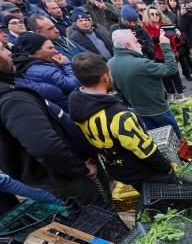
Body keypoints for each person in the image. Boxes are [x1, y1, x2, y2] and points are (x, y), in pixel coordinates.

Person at [0, 42, 112, 212]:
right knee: (102, 213)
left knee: (88, 214)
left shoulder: (11, 91)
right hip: (71, 177)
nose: (9, 52)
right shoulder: (12, 100)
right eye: (2, 49)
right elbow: (45, 146)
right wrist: (80, 168)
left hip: (59, 177)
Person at [69, 52, 177, 192]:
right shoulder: (118, 115)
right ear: (105, 77)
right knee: (166, 195)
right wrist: (166, 168)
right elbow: (145, 149)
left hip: (117, 169)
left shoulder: (77, 104)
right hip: (142, 171)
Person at [108, 29, 181, 138]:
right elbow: (171, 68)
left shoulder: (110, 64)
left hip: (138, 110)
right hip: (159, 109)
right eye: (136, 42)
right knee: (173, 136)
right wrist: (165, 45)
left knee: (156, 137)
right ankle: (180, 153)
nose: (140, 45)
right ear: (127, 45)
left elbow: (117, 90)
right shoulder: (141, 64)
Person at [12, 31, 80, 113]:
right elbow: (73, 85)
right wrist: (66, 64)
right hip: (73, 109)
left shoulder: (36, 64)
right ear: (36, 50)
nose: (56, 51)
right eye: (50, 48)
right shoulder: (43, 71)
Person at [142, 6, 185, 99]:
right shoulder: (146, 27)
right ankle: (171, 93)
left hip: (170, 53)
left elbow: (174, 41)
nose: (155, 16)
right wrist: (160, 36)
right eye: (152, 14)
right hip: (158, 55)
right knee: (165, 77)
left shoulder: (166, 24)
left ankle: (180, 92)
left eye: (157, 13)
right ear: (148, 16)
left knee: (175, 74)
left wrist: (177, 36)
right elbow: (150, 40)